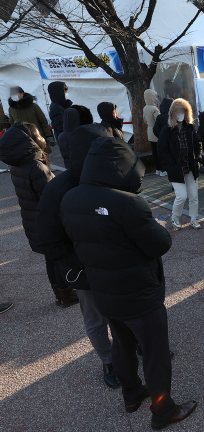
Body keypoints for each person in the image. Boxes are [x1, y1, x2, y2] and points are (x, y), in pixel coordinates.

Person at [59, 136, 197, 429]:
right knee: (155, 352)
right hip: (139, 292)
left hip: (104, 290)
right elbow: (159, 244)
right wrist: (159, 226)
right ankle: (163, 411)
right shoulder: (128, 203)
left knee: (122, 345)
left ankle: (132, 395)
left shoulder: (70, 198)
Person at [36, 123, 120, 388]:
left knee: (125, 311)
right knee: (96, 319)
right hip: (85, 269)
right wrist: (80, 263)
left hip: (118, 265)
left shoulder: (112, 175)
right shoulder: (58, 189)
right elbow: (46, 240)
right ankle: (108, 360)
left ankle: (133, 346)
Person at [0, 122, 78, 307]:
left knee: (50, 258)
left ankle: (59, 294)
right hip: (48, 221)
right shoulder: (35, 165)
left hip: (33, 220)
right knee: (59, 257)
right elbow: (50, 197)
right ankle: (67, 294)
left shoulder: (18, 163)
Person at [157, 99, 203, 230]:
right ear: (172, 113)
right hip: (176, 169)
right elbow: (161, 149)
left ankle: (194, 218)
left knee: (194, 196)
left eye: (183, 111)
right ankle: (175, 216)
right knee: (181, 196)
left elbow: (198, 144)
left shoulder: (190, 128)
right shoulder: (167, 130)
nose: (180, 114)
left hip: (191, 167)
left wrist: (198, 159)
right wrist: (171, 163)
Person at [143, 89, 162, 175]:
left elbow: (145, 120)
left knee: (154, 151)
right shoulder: (155, 109)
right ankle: (162, 170)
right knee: (160, 152)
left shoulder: (145, 108)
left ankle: (157, 169)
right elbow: (158, 121)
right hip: (157, 132)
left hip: (149, 131)